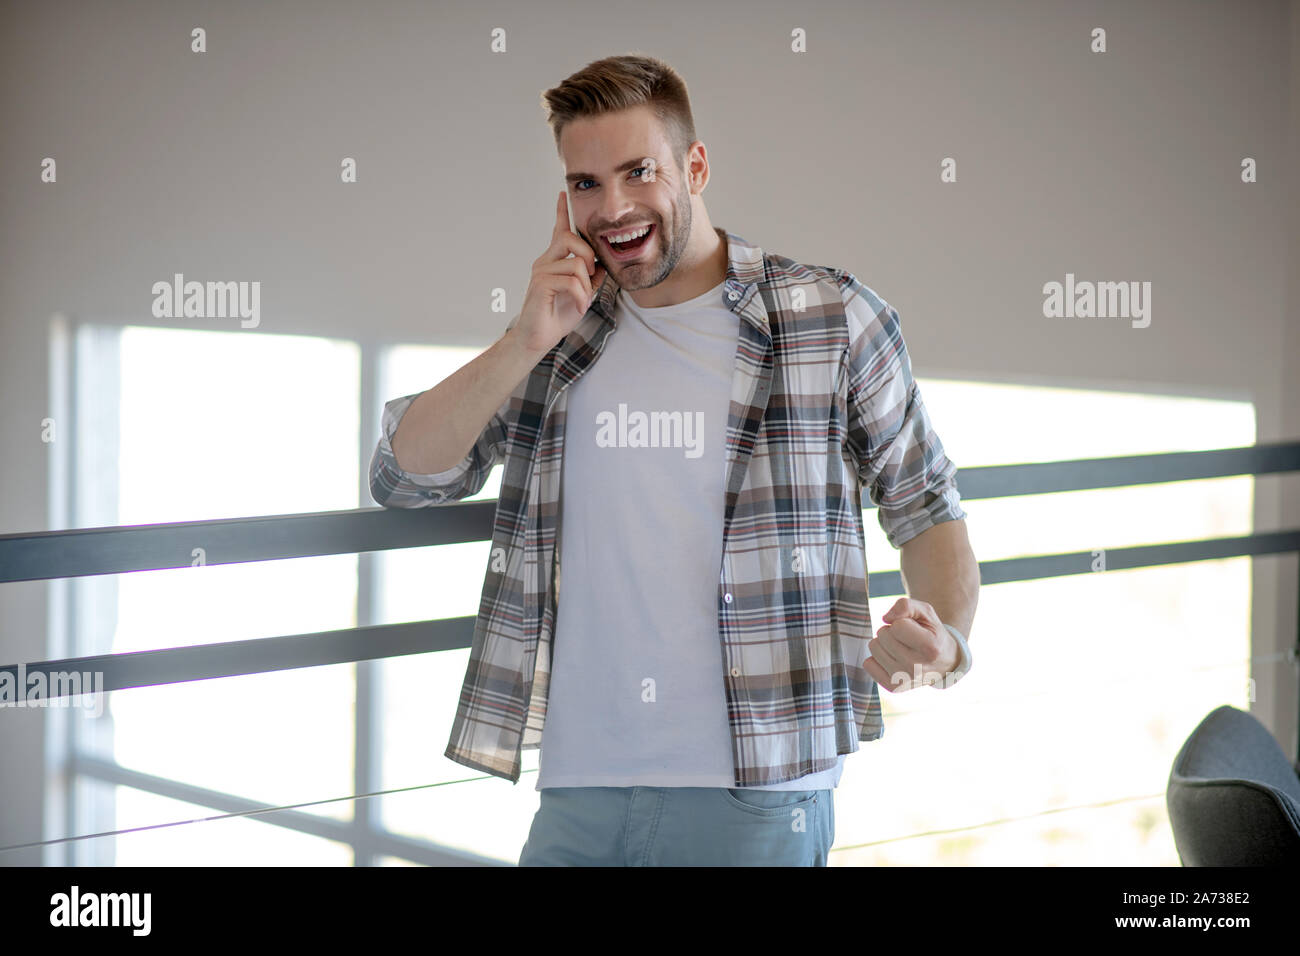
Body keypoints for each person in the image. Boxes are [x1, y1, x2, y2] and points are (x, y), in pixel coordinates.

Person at [369, 53, 980, 866]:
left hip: (756, 791)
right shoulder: (560, 337)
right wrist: (524, 338)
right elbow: (404, 477)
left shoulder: (828, 319)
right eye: (585, 183)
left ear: (694, 166)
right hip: (579, 789)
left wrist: (948, 644)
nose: (612, 207)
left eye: (638, 171)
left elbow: (926, 506)